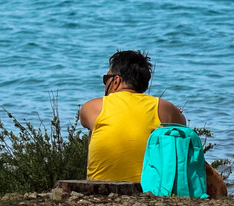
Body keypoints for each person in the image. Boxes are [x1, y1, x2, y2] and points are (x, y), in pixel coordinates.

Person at [78, 49, 186, 183]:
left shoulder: (92, 107)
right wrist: (174, 112)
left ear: (116, 81)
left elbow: (83, 120)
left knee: (94, 131)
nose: (105, 83)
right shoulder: (165, 107)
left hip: (102, 187)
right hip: (151, 189)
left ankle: (95, 180)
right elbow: (183, 126)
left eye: (106, 79)